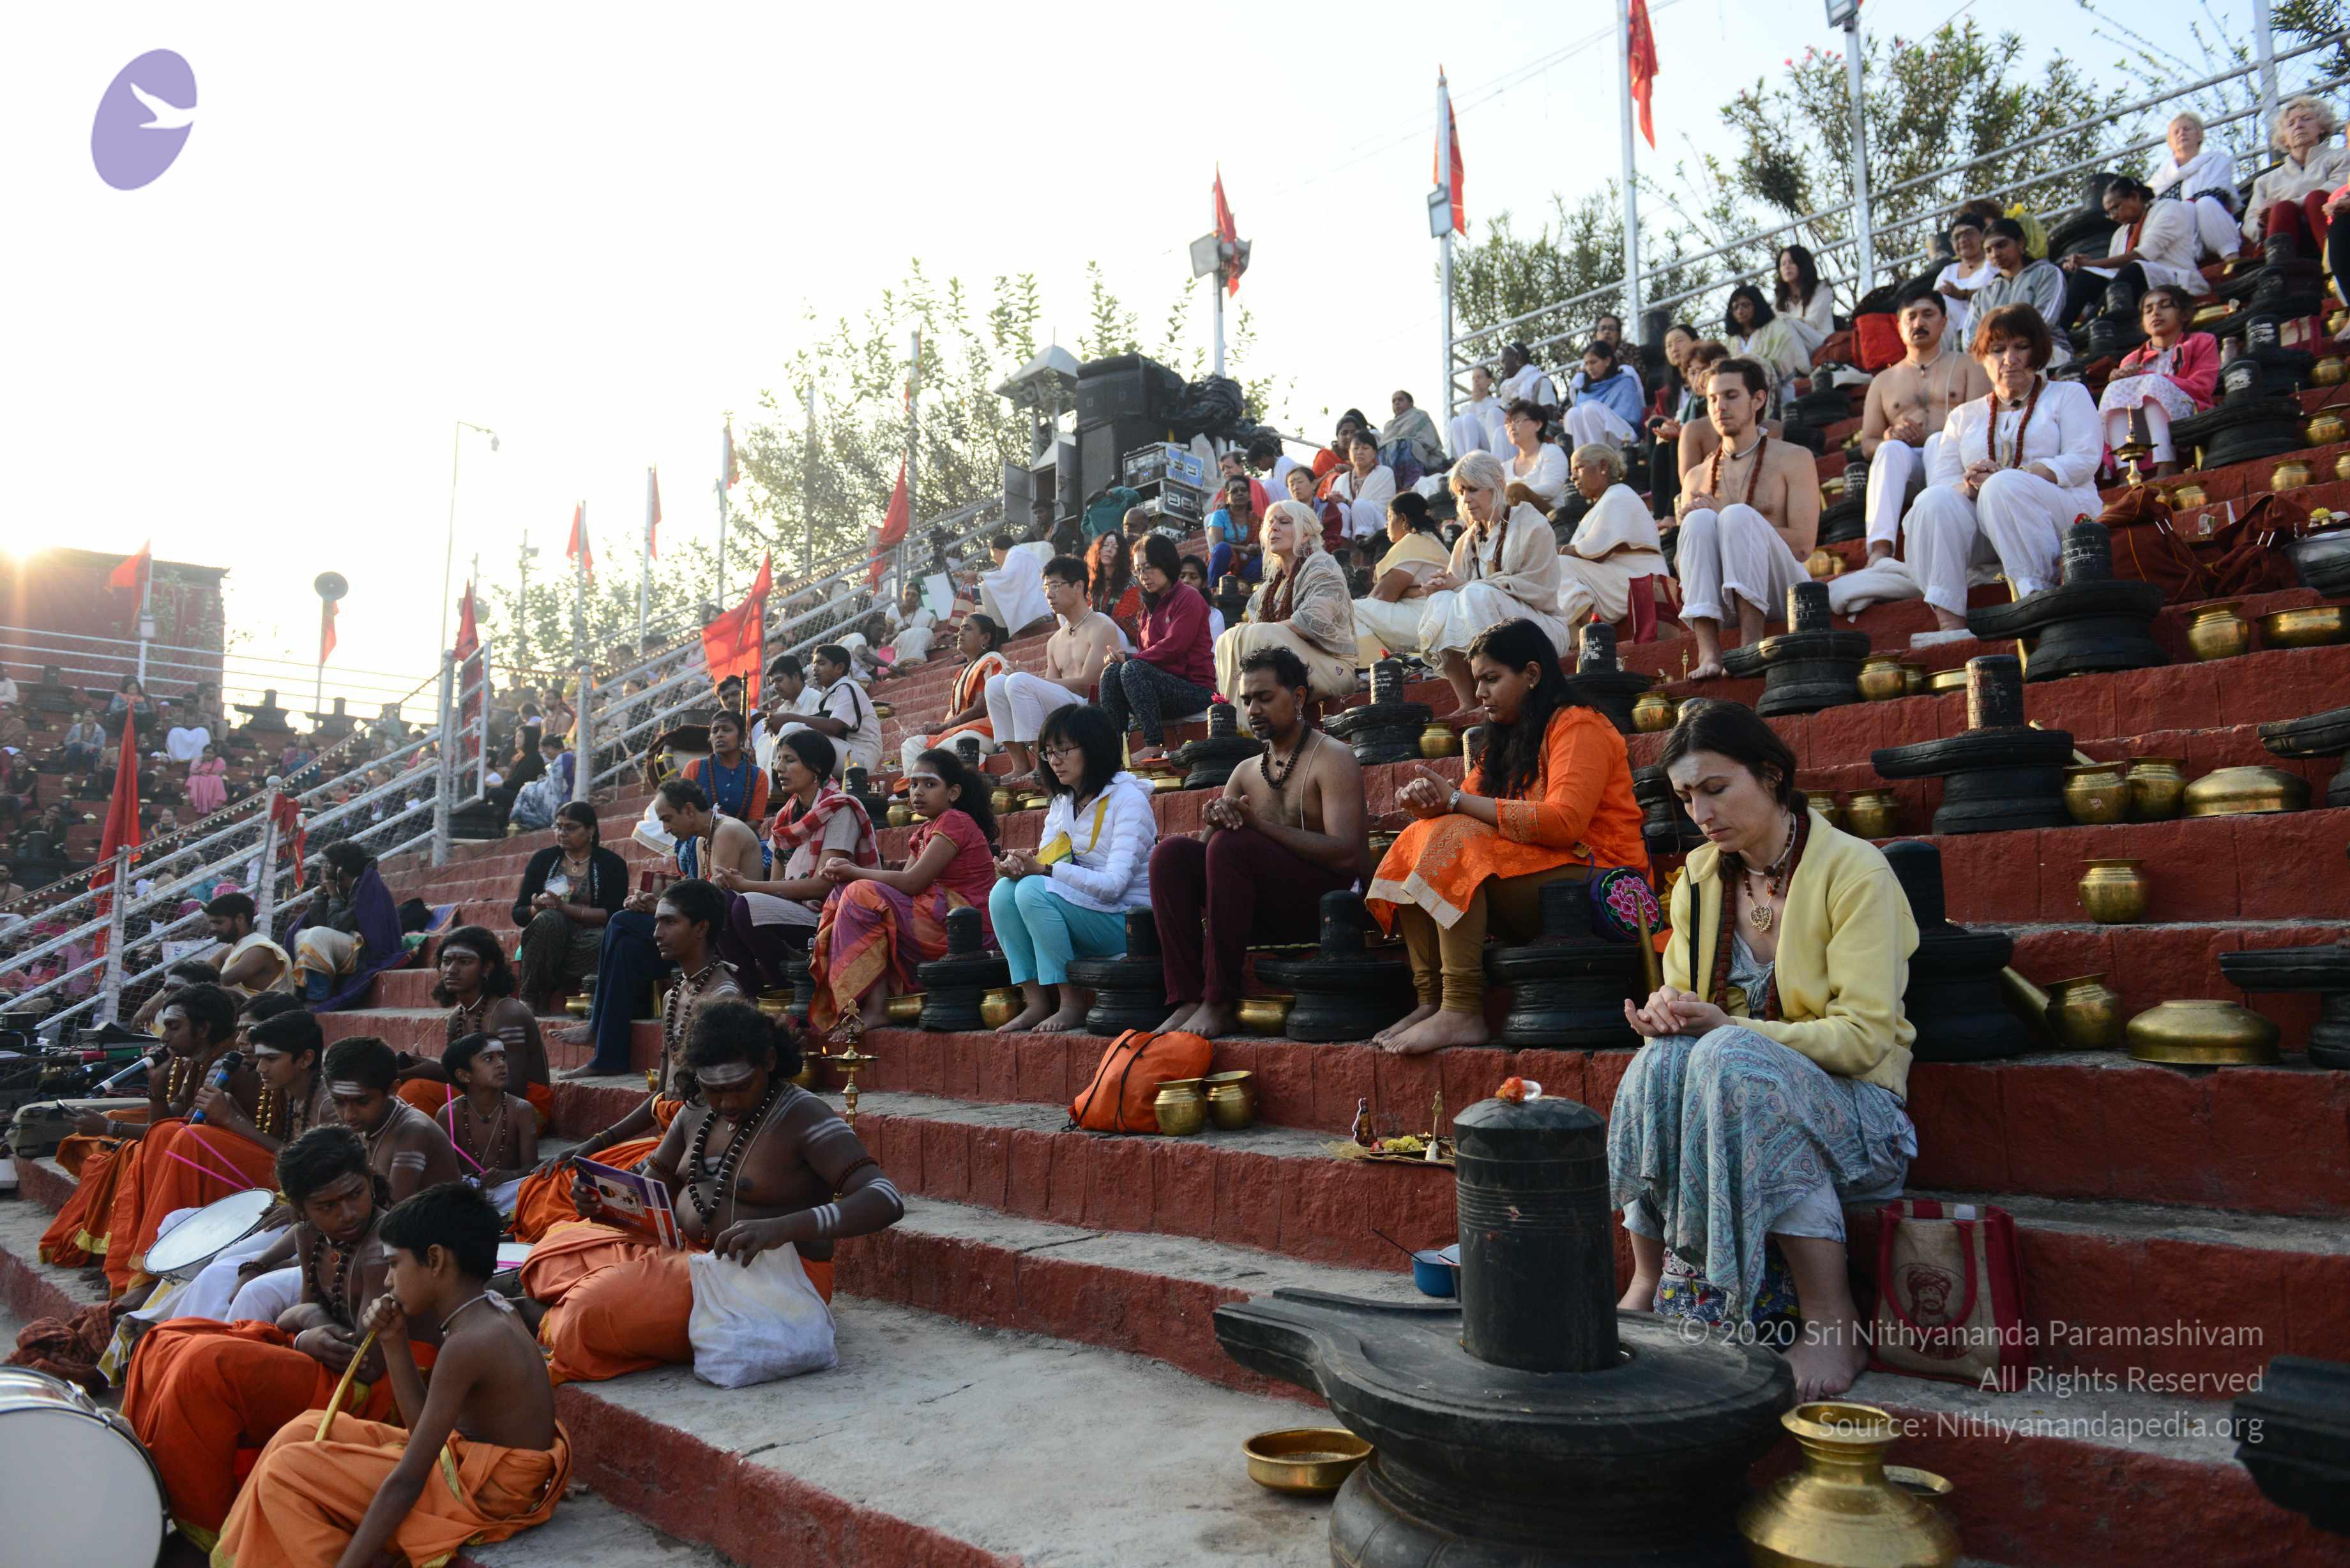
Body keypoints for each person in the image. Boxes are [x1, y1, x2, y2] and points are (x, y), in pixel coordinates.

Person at [1611, 702, 1917, 1399]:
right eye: (1686, 796)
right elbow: (1692, 1011)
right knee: (1660, 1060)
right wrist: (1667, 1014)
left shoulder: (1855, 871)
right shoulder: (1698, 878)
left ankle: (1832, 1319)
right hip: (1730, 1105)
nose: (1700, 813)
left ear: (1772, 775)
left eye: (1716, 788)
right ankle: (1651, 1279)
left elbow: (1865, 1038)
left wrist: (1727, 1028)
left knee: (1732, 1059)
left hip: (1860, 1115)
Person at [519, 1001, 903, 1383]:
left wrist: (781, 1229)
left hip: (767, 1277)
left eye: (741, 1087)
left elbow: (885, 1198)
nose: (728, 1102)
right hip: (682, 1256)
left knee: (591, 1309)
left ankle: (549, 1317)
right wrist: (602, 1201)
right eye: (714, 1089)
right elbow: (649, 1189)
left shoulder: (803, 1115)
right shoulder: (695, 1112)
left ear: (769, 1062)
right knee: (553, 1250)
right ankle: (567, 1308)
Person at [218, 1181, 569, 1568]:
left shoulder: (470, 1343)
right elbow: (423, 1431)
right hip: (464, 1460)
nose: (387, 1281)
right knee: (301, 1430)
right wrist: (393, 1340)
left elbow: (409, 1478)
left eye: (394, 1264)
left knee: (288, 1472)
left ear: (434, 1260)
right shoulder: (487, 1309)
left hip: (489, 1492)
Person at [119, 1125, 425, 1547]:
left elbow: (367, 1361)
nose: (348, 1213)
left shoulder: (381, 1248)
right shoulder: (309, 1234)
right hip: (327, 1357)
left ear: (370, 1181)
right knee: (167, 1337)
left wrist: (308, 1324)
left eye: (356, 1195)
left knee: (206, 1367)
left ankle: (212, 1525)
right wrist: (305, 1331)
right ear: (301, 1210)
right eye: (327, 1206)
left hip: (380, 1379)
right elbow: (300, 1316)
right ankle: (155, 1482)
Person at [1365, 618, 1648, 1055]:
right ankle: (1433, 1000)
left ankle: (1462, 1007)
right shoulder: (1505, 739)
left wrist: (1453, 803)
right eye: (1477, 681)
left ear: (1532, 674)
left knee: (1453, 838)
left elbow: (1565, 823)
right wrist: (1429, 805)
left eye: (1491, 679)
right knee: (1420, 836)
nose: (1479, 693)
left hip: (1603, 879)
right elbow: (1462, 809)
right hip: (1539, 875)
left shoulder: (1579, 724)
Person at [512, 881, 748, 1239]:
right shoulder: (673, 996)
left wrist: (651, 1167)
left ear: (701, 928)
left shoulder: (723, 998)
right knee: (550, 1184)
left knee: (577, 1211)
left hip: (699, 1146)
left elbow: (719, 1106)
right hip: (667, 1139)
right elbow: (662, 1096)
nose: (656, 933)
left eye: (669, 922)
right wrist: (595, 1142)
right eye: (656, 922)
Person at [1151, 647, 1366, 1038]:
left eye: (1264, 698)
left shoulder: (1334, 758)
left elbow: (1349, 855)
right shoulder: (1245, 771)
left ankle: (1219, 1001)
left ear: (1298, 697)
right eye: (1247, 700)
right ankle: (1188, 999)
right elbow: (1208, 857)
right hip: (1256, 909)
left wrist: (1257, 827)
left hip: (1321, 910)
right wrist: (1215, 821)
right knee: (1171, 855)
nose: (1252, 710)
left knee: (1234, 846)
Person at [1902, 304, 2103, 645]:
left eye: (2020, 347)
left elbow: (2083, 459)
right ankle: (1951, 625)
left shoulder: (2068, 395)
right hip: (1986, 521)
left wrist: (2021, 475)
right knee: (1934, 500)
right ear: (1983, 357)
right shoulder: (1964, 416)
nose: (2009, 359)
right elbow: (1943, 481)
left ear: (2038, 351)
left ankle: (2034, 597)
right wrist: (1970, 484)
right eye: (1997, 350)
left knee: (2003, 485)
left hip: (2062, 512)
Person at [1356, 448, 1573, 711]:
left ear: (1497, 486)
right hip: (1501, 623)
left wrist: (1461, 586)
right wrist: (1437, 587)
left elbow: (1538, 589)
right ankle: (1468, 701)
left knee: (1475, 595)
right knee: (1441, 601)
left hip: (1543, 629)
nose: (1466, 499)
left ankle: (1495, 693)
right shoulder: (1466, 541)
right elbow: (1455, 591)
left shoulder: (1531, 525)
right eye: (1461, 492)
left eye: (1473, 489)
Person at [565, 786, 762, 1075]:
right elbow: (694, 900)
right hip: (698, 931)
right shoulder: (702, 841)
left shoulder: (727, 832)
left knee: (621, 921)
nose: (666, 829)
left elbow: (710, 907)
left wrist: (658, 908)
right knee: (626, 949)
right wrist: (655, 906)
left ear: (690, 810)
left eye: (668, 819)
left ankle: (597, 1025)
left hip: (719, 935)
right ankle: (609, 1057)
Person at [808, 747, 998, 1037]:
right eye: (913, 784)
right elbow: (898, 886)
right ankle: (865, 1003)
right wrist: (845, 874)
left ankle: (876, 1009)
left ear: (953, 792)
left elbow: (912, 883)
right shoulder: (923, 831)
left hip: (966, 927)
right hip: (936, 917)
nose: (918, 792)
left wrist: (854, 871)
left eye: (929, 784)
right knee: (845, 893)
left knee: (860, 893)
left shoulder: (955, 821)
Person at [988, 703, 1155, 1033]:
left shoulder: (1129, 800)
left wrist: (1043, 871)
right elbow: (1049, 860)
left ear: (1093, 748)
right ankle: (1037, 1002)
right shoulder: (1063, 803)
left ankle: (1072, 1003)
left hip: (1126, 923)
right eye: (1049, 752)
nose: (1055, 761)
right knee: (1004, 893)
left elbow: (1114, 886)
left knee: (1032, 890)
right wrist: (1018, 868)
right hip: (1084, 910)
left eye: (1063, 750)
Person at [1672, 357, 1823, 681]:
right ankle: (1709, 652)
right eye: (1713, 399)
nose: (1720, 407)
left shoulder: (1794, 458)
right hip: (1722, 601)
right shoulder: (1696, 476)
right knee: (1698, 523)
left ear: (1758, 399)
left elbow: (1803, 545)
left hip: (1784, 591)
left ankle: (1750, 644)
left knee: (1736, 515)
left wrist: (1728, 515)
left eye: (1731, 396)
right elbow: (1683, 567)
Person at [712, 730, 877, 991]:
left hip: (830, 912)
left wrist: (747, 886)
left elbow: (823, 885)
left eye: (790, 760)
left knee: (745, 905)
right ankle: (750, 994)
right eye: (778, 759)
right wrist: (736, 885)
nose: (779, 768)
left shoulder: (841, 809)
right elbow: (776, 884)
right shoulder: (785, 817)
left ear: (816, 768)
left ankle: (788, 988)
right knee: (721, 903)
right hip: (794, 909)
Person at [1858, 287, 1991, 564]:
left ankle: (1947, 531)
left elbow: (1981, 424)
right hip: (1907, 469)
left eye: (1928, 314)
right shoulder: (1882, 381)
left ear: (1944, 322)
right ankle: (1880, 549)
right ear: (1899, 327)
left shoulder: (1969, 365)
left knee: (1936, 441)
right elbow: (1868, 443)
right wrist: (1890, 436)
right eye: (1911, 317)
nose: (1919, 322)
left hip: (1953, 462)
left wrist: (1931, 435)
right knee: (1888, 450)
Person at [395, 924, 553, 1127]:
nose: (452, 970)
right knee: (406, 1093)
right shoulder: (456, 1018)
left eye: (464, 962)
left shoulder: (507, 1014)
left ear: (486, 968)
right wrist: (421, 1069)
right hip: (482, 1100)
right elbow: (460, 1076)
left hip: (525, 1109)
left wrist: (437, 1072)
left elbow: (513, 1089)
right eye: (446, 962)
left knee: (415, 1091)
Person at [983, 554, 1121, 778]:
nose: (1049, 594)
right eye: (1046, 587)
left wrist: (1030, 680)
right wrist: (1031, 680)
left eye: (1056, 586)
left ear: (1078, 586)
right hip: (1063, 710)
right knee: (995, 684)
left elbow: (1089, 685)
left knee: (1019, 681)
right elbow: (1049, 687)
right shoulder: (1055, 640)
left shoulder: (1102, 626)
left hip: (1090, 711)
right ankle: (1020, 765)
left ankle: (1043, 766)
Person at [1213, 498, 1358, 705]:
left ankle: (1243, 721)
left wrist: (1258, 631)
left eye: (1284, 522)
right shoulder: (1270, 586)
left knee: (1257, 633)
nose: (1274, 527)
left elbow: (1314, 621)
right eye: (1271, 523)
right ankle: (1239, 718)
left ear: (1305, 534)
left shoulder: (1323, 565)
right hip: (1286, 667)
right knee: (1226, 639)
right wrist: (1247, 632)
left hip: (1333, 668)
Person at [1099, 532, 1215, 759]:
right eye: (1138, 570)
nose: (1144, 576)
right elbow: (1147, 656)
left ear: (1166, 563)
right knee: (1111, 672)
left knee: (1132, 668)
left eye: (1149, 568)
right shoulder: (1148, 609)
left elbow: (1174, 646)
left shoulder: (1189, 597)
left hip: (1195, 690)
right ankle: (1114, 749)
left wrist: (1130, 658)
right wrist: (1121, 659)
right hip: (1162, 687)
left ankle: (1154, 744)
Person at [512, 799, 630, 1011]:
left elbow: (614, 913)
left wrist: (565, 908)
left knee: (608, 941)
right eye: (558, 827)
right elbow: (519, 913)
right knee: (548, 919)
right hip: (547, 935)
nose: (562, 833)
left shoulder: (612, 864)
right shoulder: (543, 860)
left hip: (587, 938)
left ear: (590, 830)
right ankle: (529, 997)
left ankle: (558, 984)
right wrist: (536, 908)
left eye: (571, 828)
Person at [2096, 285, 2220, 478]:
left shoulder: (2202, 342)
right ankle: (2126, 471)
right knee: (2114, 390)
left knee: (2153, 384)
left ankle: (2166, 464)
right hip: (2143, 427)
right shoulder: (2131, 360)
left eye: (2165, 305)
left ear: (2184, 314)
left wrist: (2150, 378)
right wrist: (2119, 379)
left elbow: (2203, 388)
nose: (2155, 313)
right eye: (2148, 310)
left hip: (2190, 411)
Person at [326, 1035, 465, 1202]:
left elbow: (393, 1210)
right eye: (339, 1102)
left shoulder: (414, 1131)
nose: (348, 1115)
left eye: (362, 1102)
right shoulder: (367, 1122)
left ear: (393, 1089)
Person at [2058, 176, 2208, 328]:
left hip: (2175, 279)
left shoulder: (2167, 207)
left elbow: (2143, 255)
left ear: (2134, 196)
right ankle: (2059, 330)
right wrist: (2084, 266)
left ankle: (2089, 327)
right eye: (2109, 212)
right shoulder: (2120, 233)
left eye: (2116, 207)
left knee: (2135, 268)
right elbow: (2114, 274)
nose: (2113, 216)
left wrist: (2091, 263)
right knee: (2085, 276)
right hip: (2133, 285)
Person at [1556, 443, 1668, 643]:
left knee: (1558, 565)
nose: (1573, 478)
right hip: (1615, 578)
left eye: (1579, 468)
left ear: (1603, 466)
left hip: (1641, 579)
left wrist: (1555, 549)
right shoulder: (1598, 507)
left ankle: (1595, 637)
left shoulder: (1620, 494)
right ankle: (1587, 636)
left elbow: (1594, 550)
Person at [291, 841, 406, 1009]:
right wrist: (319, 897)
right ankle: (308, 991)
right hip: (352, 946)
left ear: (340, 869)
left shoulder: (365, 887)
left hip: (368, 953)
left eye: (328, 863)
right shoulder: (344, 886)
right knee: (301, 935)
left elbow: (337, 927)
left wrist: (334, 897)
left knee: (316, 935)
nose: (324, 867)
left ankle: (317, 996)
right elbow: (321, 924)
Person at [429, 1032, 541, 1203]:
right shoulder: (448, 1114)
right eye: (489, 1059)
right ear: (464, 1075)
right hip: (465, 1196)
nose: (501, 1064)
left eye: (503, 1057)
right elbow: (442, 1171)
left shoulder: (521, 1110)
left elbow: (532, 1168)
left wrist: (509, 1175)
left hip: (512, 1192)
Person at [898, 612, 1010, 775]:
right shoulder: (961, 673)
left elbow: (981, 709)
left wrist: (943, 727)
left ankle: (943, 786)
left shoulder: (992, 660)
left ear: (985, 638)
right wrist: (939, 726)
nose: (960, 633)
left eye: (968, 628)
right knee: (911, 745)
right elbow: (956, 714)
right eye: (960, 628)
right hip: (960, 731)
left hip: (986, 731)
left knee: (943, 751)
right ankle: (918, 787)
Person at [1352, 492, 1455, 663]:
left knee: (1349, 610)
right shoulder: (1431, 540)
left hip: (1423, 619)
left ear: (1403, 519)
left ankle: (1376, 664)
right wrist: (1412, 591)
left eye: (1389, 517)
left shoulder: (1414, 541)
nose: (1386, 525)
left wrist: (1407, 592)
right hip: (1433, 618)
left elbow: (1380, 597)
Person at [2242, 95, 2350, 257]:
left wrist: (2286, 204)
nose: (2298, 125)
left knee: (2315, 198)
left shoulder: (2341, 156)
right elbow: (2249, 225)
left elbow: (2338, 190)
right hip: (2285, 238)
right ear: (2284, 139)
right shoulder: (2265, 181)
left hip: (2328, 227)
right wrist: (2262, 222)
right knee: (2283, 210)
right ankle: (2282, 269)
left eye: (2306, 119)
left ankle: (2333, 263)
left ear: (2321, 127)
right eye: (2291, 124)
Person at [1970, 218, 2071, 363]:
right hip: (1997, 361)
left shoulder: (2047, 273)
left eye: (2001, 245)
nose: (1995, 254)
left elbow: (2046, 320)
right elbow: (1971, 338)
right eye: (1988, 250)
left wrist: (2008, 345)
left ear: (2021, 243)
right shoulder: (1984, 293)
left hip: (2046, 352)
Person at [2151, 112, 2242, 264]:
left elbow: (2217, 194)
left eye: (2187, 129)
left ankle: (2232, 260)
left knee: (2206, 203)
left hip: (2212, 223)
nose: (2182, 134)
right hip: (2178, 235)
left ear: (2199, 135)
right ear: (2170, 143)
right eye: (2176, 132)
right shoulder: (2159, 179)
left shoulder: (2215, 160)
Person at [796, 644, 883, 780]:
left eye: (821, 663)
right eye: (814, 664)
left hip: (860, 758)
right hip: (845, 750)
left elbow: (833, 727)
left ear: (839, 668)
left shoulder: (848, 688)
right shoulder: (827, 694)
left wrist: (790, 719)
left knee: (794, 731)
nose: (815, 668)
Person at [678, 707, 769, 824]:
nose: (719, 735)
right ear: (710, 738)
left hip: (742, 834)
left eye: (727, 730)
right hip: (698, 834)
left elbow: (755, 822)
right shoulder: (694, 768)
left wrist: (726, 831)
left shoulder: (758, 776)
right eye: (715, 731)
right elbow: (682, 811)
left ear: (742, 737)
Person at [200, 890, 294, 996]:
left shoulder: (259, 951)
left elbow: (218, 983)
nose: (213, 928)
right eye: (211, 923)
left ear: (240, 919)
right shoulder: (232, 948)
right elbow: (201, 973)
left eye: (219, 922)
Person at [1563, 339, 1647, 450]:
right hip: (1593, 440)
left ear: (1607, 361)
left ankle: (1598, 456)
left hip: (1625, 436)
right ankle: (1581, 456)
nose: (1589, 368)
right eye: (1586, 364)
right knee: (1572, 413)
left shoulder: (1625, 382)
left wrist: (1601, 414)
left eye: (1593, 362)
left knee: (1590, 409)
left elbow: (1632, 419)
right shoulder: (1585, 389)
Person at [1724, 285, 1806, 393]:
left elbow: (1784, 362)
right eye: (1735, 307)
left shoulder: (1777, 328)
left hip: (1779, 389)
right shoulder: (1730, 341)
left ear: (1757, 304)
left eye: (1745, 305)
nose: (1740, 311)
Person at [978, 529, 1055, 642]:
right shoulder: (1020, 553)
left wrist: (978, 576)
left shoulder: (1016, 554)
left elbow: (1006, 579)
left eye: (993, 557)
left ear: (997, 551)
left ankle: (1002, 633)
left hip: (1035, 615)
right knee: (978, 610)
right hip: (1035, 612)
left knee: (986, 587)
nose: (995, 561)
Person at [752, 654, 820, 775]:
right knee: (764, 740)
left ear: (796, 676)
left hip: (811, 764)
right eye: (773, 683)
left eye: (779, 680)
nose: (775, 686)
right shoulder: (782, 710)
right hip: (787, 768)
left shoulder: (816, 699)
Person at [1933, 213, 1993, 350]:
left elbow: (1998, 293)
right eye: (1957, 237)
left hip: (1986, 334)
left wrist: (1963, 294)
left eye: (1969, 233)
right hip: (1949, 344)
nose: (1963, 240)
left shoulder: (1993, 264)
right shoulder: (1947, 272)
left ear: (1983, 236)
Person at [1328, 428, 1399, 542]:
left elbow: (1383, 508)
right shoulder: (1341, 480)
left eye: (1365, 448)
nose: (1360, 452)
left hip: (1378, 527)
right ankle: (1341, 548)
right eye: (1355, 448)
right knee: (1341, 508)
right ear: (1349, 452)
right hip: (1348, 530)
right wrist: (1332, 500)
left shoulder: (1385, 473)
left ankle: (1363, 549)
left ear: (1374, 453)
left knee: (1360, 506)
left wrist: (1348, 502)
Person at [1501, 397, 1569, 506]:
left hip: (1548, 514)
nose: (1512, 427)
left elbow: (1551, 489)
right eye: (1508, 424)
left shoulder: (1551, 452)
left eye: (1518, 421)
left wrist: (1514, 493)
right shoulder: (1505, 467)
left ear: (1538, 424)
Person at [1773, 245, 1835, 361]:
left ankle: (1804, 368)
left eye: (1792, 262)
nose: (1787, 267)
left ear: (1802, 264)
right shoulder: (1780, 299)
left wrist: (1786, 320)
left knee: (1782, 322)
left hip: (1821, 344)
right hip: (1793, 345)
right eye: (1783, 264)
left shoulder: (1822, 289)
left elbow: (1813, 322)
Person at [1206, 476, 1265, 589]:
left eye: (1243, 490)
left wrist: (1256, 548)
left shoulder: (1257, 520)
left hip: (1249, 565)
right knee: (1222, 548)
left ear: (1249, 496)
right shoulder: (1219, 516)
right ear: (1227, 498)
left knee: (1264, 557)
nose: (1240, 493)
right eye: (1234, 491)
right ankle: (1214, 590)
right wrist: (1244, 549)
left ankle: (1245, 588)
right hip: (1225, 563)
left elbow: (1263, 544)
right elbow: (1217, 543)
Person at [1087, 525, 1144, 642]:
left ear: (1121, 554)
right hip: (1096, 637)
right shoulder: (1093, 583)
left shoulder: (1131, 584)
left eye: (1114, 547)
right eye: (1106, 545)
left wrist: (1095, 620)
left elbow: (1126, 622)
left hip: (1126, 642)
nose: (1109, 550)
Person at [1448, 364, 1509, 459]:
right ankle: (1465, 461)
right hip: (1471, 450)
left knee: (1469, 419)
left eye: (1479, 377)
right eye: (1473, 378)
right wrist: (1474, 403)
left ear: (1489, 381)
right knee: (1455, 422)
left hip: (1491, 446)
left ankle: (1473, 461)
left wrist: (1479, 404)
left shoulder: (1497, 403)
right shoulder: (1465, 408)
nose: (1476, 380)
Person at [1381, 388, 1448, 472]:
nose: (1396, 403)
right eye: (1394, 401)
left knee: (1405, 445)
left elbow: (1429, 443)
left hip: (1422, 456)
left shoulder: (1419, 415)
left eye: (1400, 400)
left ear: (1411, 403)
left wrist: (1400, 444)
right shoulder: (1389, 425)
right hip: (1393, 463)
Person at [1496, 341, 1559, 412]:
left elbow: (1548, 415)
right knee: (1494, 412)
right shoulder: (1506, 389)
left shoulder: (1541, 381)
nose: (1501, 367)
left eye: (1504, 361)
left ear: (1516, 358)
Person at [1178, 556, 1227, 638]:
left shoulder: (1214, 616)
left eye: (1193, 577)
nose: (1186, 581)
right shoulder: (1168, 611)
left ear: (1204, 583)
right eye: (1182, 576)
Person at [1246, 432, 1303, 501]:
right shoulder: (1272, 474)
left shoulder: (1285, 462)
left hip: (1295, 503)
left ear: (1263, 457)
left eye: (1258, 465)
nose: (1259, 469)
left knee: (1268, 484)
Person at [185, 741, 227, 815]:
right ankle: (196, 803)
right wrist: (200, 772)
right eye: (207, 753)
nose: (208, 755)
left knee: (216, 779)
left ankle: (215, 805)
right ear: (203, 753)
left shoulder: (219, 761)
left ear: (215, 754)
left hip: (212, 781)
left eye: (211, 753)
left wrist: (207, 777)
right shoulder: (199, 760)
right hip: (200, 780)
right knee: (193, 779)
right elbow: (192, 771)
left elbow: (218, 775)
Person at [163, 702, 211, 766]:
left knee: (202, 731)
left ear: (196, 704)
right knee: (175, 731)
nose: (187, 704)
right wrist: (175, 725)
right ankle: (177, 759)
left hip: (197, 735)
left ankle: (199, 760)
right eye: (186, 702)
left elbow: (207, 725)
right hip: (182, 736)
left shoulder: (205, 716)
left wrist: (184, 725)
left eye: (190, 702)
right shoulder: (177, 716)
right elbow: (171, 726)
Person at [59, 707, 105, 773]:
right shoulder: (75, 728)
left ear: (95, 718)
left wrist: (83, 745)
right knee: (76, 748)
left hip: (90, 753)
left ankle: (90, 774)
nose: (87, 718)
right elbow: (66, 742)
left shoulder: (100, 730)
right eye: (86, 716)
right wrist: (72, 742)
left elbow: (100, 746)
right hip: (75, 751)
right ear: (83, 717)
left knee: (85, 750)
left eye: (90, 716)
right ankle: (71, 772)